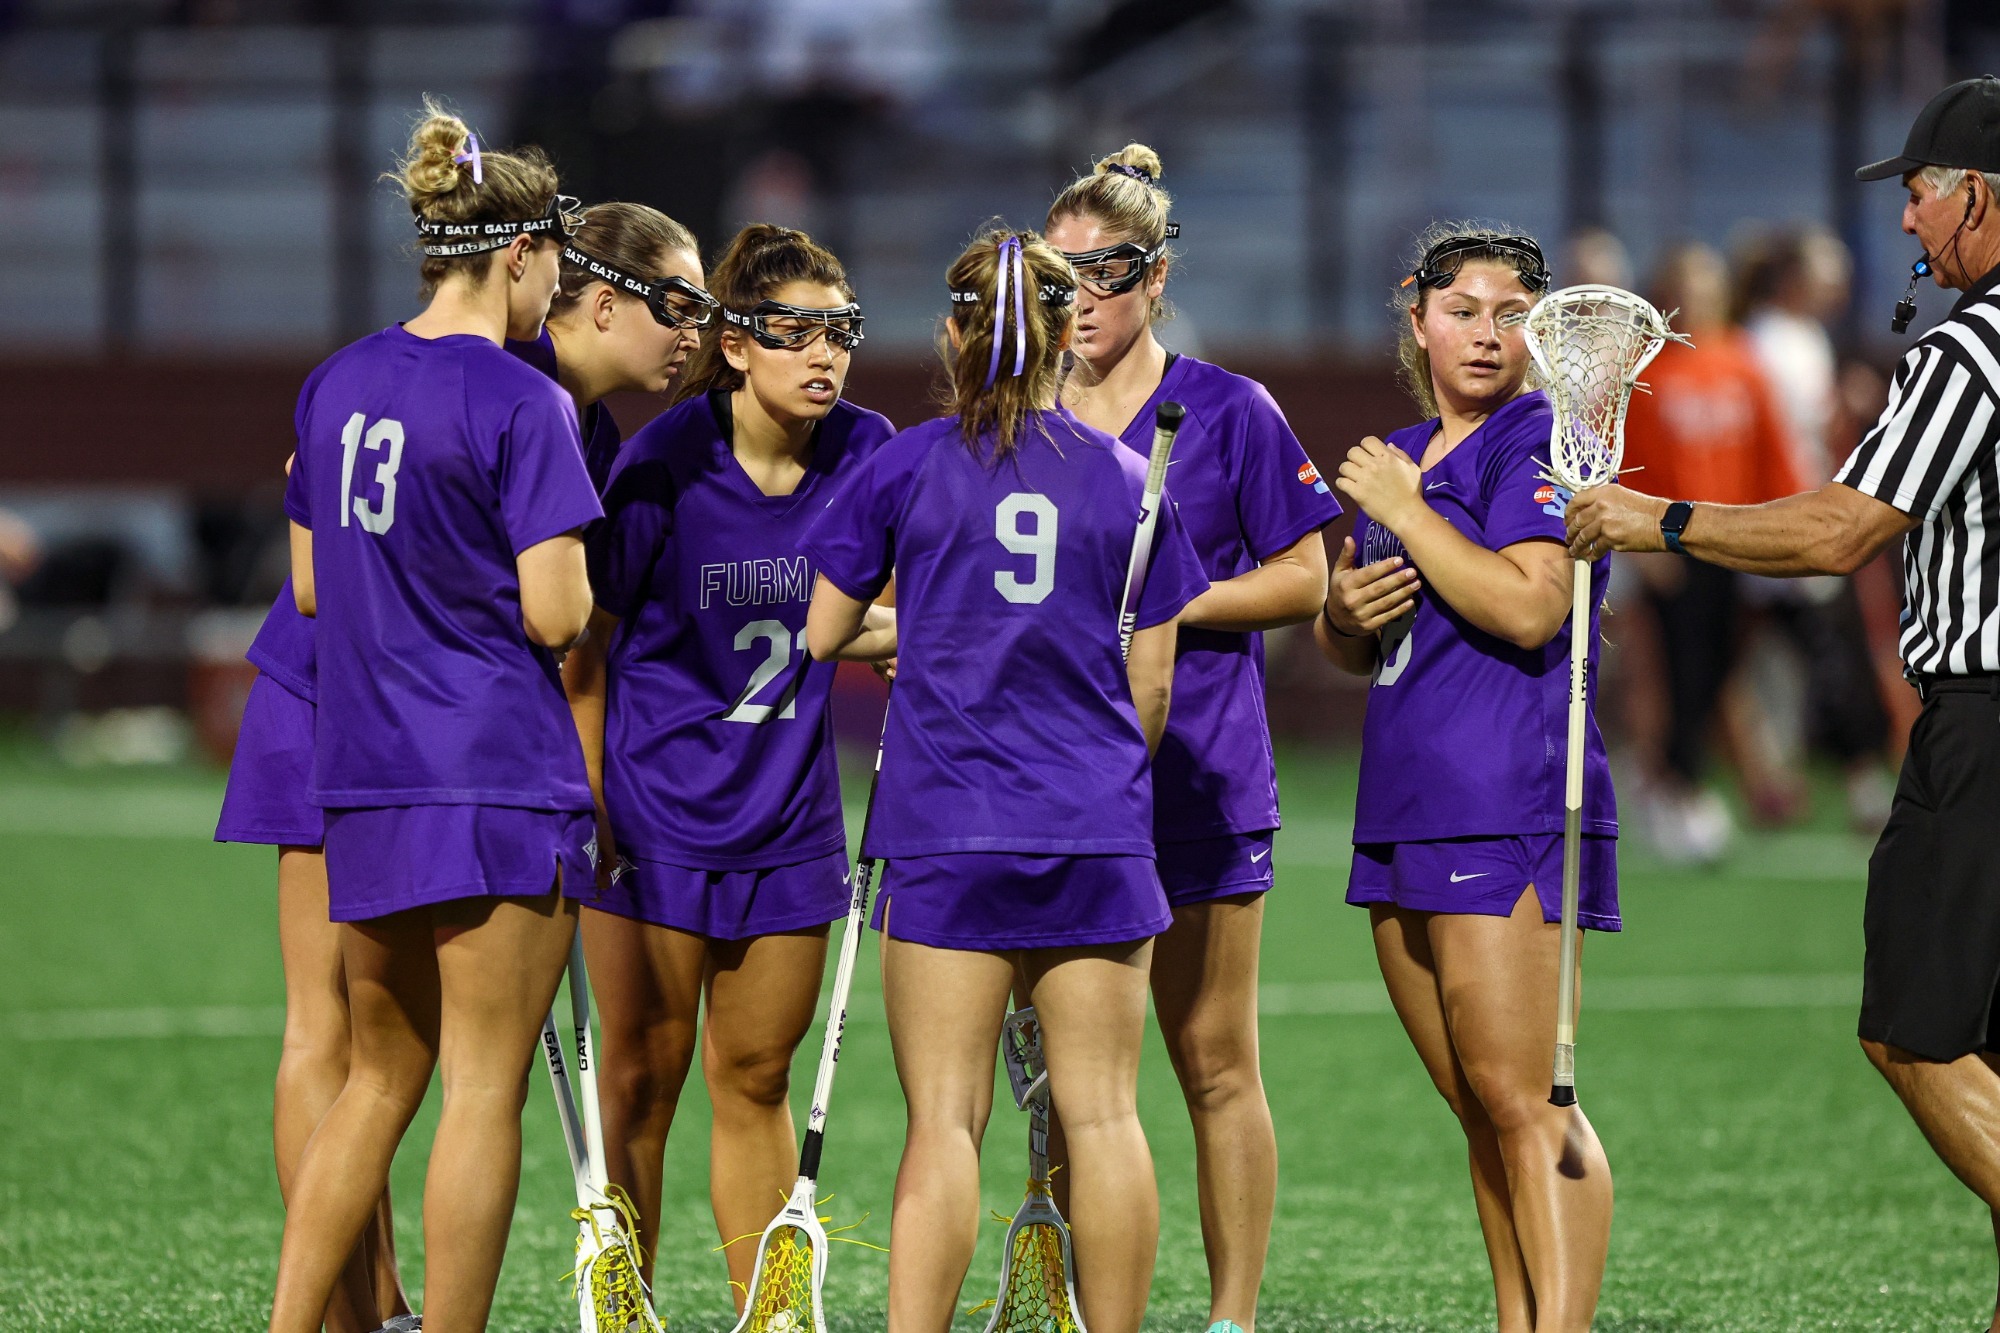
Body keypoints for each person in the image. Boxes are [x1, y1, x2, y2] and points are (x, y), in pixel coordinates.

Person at [1566, 75, 2000, 1332]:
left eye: (1920, 196)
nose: (1909, 228)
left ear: (1976, 193)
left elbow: (1838, 529)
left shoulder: (1972, 347)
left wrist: (1662, 521)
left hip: (1985, 720)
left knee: (1914, 1035)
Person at [800, 227, 1209, 1333]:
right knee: (1107, 1116)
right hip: (1093, 825)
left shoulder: (902, 462)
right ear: (1061, 339)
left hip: (944, 825)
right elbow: (1152, 689)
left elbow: (824, 631)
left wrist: (926, 628)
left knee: (943, 1121)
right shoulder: (1131, 477)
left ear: (952, 333)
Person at [265, 103, 601, 1333]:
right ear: (518, 252)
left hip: (364, 772)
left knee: (374, 1080)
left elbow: (308, 585)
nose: (555, 289)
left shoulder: (335, 378)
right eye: (556, 262)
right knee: (479, 1088)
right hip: (495, 772)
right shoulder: (524, 402)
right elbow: (558, 614)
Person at [561, 223, 894, 1299]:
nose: (823, 355)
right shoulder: (662, 461)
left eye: (838, 332)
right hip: (654, 821)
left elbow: (885, 616)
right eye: (793, 332)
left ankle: (768, 1319)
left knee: (756, 1080)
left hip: (789, 824)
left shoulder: (869, 450)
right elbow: (587, 645)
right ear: (737, 345)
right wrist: (595, 804)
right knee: (641, 1077)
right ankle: (630, 1307)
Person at [1041, 143, 1337, 1333]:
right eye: (1056, 274)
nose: (1081, 298)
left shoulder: (1227, 410)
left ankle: (1230, 1317)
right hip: (1051, 781)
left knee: (1213, 1062)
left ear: (1155, 277)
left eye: (1107, 272)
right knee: (1064, 1082)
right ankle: (1056, 1298)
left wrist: (1168, 599)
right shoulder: (1020, 416)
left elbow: (1305, 580)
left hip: (1200, 770)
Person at [1314, 224, 1616, 1333]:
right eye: (1461, 310)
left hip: (1506, 802)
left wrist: (1399, 511)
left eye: (1508, 314)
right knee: (1478, 1110)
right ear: (1418, 323)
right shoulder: (1403, 453)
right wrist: (1337, 615)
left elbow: (1532, 602)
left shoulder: (1537, 436)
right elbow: (1355, 641)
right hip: (1402, 804)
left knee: (1526, 1100)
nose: (1484, 334)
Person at [216, 565, 414, 1333]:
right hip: (365, 683)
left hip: (347, 677)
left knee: (363, 1037)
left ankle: (382, 1306)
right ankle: (351, 1323)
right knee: (336, 1028)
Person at [1616, 242, 1808, 859]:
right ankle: (1677, 788)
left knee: (1722, 667)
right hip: (1671, 544)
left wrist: (1790, 526)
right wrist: (1645, 545)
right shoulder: (1645, 370)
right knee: (1678, 672)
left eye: (1707, 287)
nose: (1697, 299)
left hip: (1736, 541)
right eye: (1685, 288)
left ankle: (1687, 784)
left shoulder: (1744, 363)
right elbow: (1622, 466)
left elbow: (1774, 455)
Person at [512, 201, 715, 491]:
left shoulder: (600, 436)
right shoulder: (501, 384)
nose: (694, 340)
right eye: (679, 310)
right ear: (606, 306)